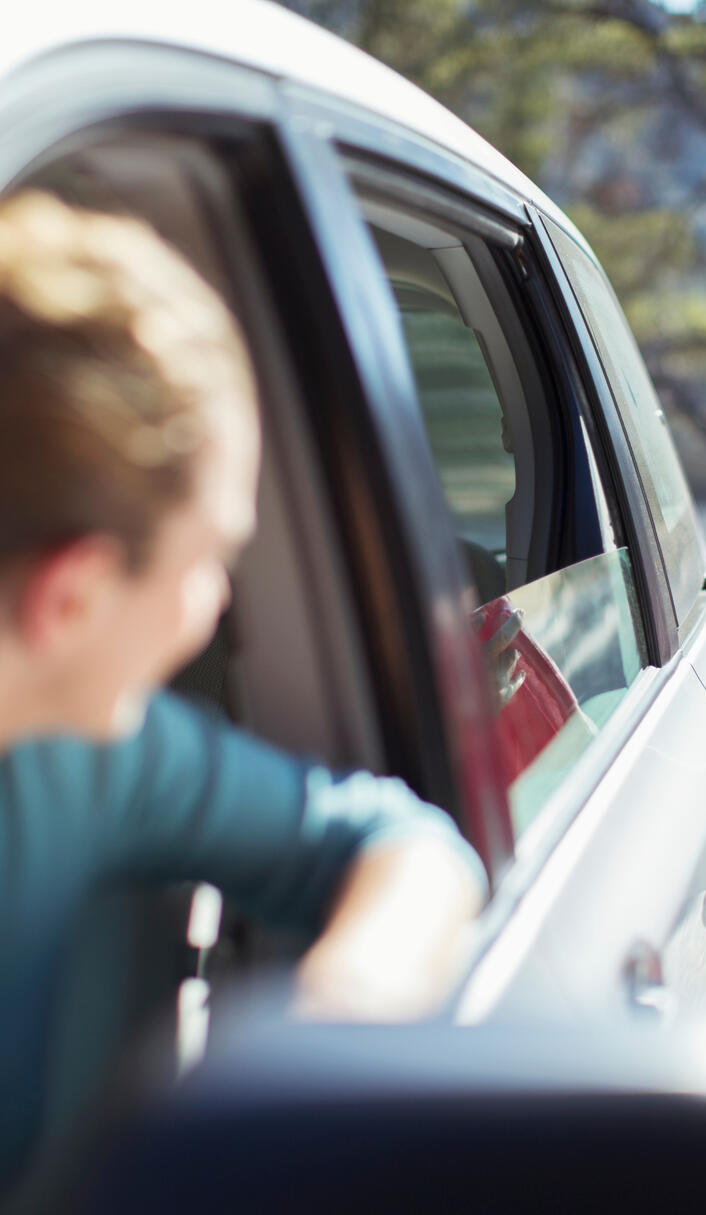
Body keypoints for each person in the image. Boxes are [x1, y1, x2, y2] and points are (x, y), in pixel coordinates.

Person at [0, 191, 487, 1195]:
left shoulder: (86, 756)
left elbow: (398, 845)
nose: (217, 605)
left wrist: (331, 1029)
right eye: (211, 559)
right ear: (74, 596)